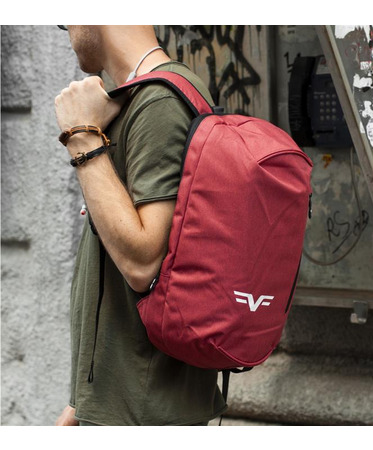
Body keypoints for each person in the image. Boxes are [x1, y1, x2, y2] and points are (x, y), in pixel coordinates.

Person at [54, 25, 226, 426]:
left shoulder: (159, 102)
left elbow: (142, 264)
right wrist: (81, 402)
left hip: (143, 415)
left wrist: (81, 137)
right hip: (121, 404)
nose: (66, 29)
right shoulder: (142, 98)